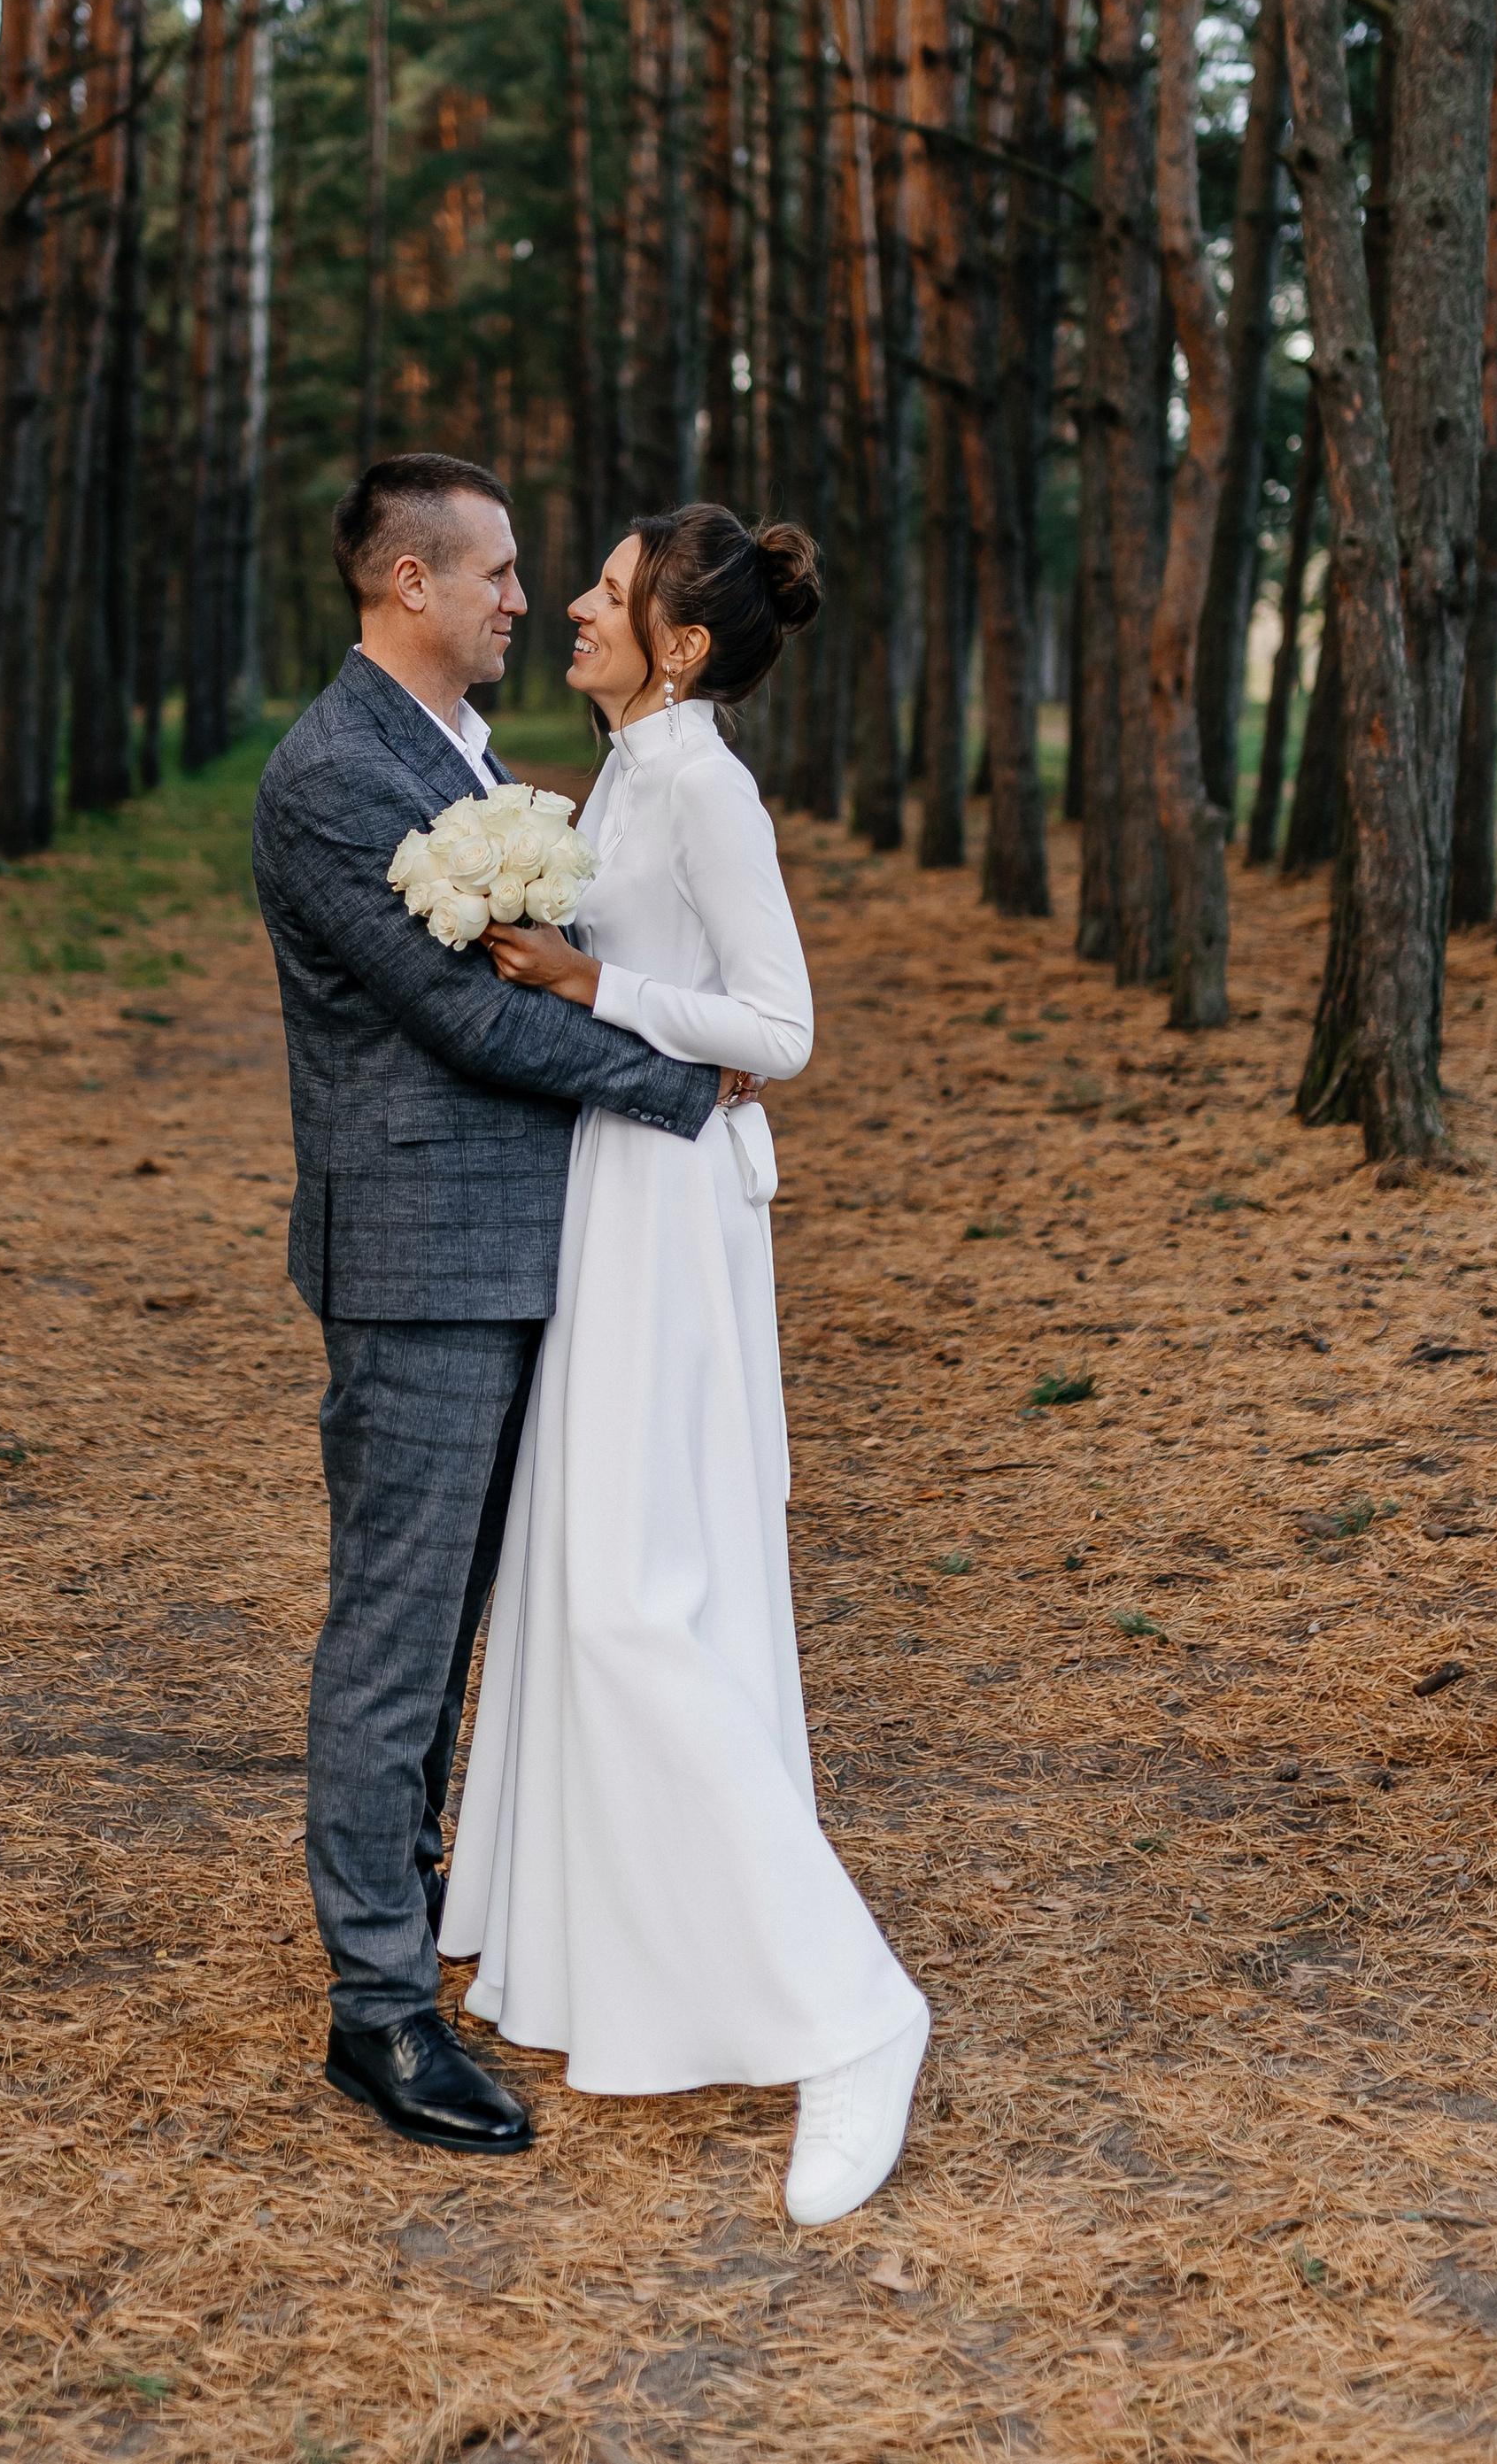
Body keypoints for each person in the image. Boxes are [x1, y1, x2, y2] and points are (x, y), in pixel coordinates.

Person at [440, 505, 930, 2227]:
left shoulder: (706, 788)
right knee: (590, 1578)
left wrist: (596, 985)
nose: (574, 603)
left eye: (608, 590)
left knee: (627, 1605)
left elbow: (781, 1029)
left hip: (669, 1208)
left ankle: (853, 2009)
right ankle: (618, 1953)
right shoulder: (627, 774)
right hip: (608, 1188)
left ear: (684, 643)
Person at [250, 455, 733, 2161]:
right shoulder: (334, 773)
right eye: (500, 571)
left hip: (530, 1250)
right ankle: (377, 2007)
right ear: (411, 583)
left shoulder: (462, 752)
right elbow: (466, 1014)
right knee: (396, 1636)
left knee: (473, 1629)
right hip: (421, 1265)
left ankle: (429, 1909)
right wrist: (687, 1078)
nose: (527, 596)